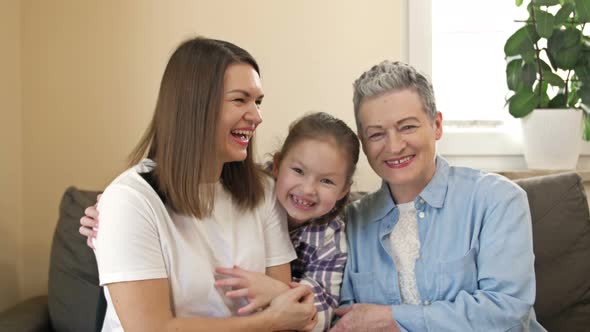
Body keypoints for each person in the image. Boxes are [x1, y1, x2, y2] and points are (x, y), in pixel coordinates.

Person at [90, 37, 317, 332]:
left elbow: (287, 305)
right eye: (240, 100)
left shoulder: (263, 191)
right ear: (194, 106)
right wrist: (271, 320)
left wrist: (284, 313)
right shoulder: (129, 201)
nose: (257, 117)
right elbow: (151, 328)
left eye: (258, 101)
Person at [82, 112, 360, 332]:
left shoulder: (330, 236)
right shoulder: (255, 187)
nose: (307, 189)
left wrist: (275, 290)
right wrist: (106, 213)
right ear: (276, 166)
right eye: (298, 171)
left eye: (326, 181)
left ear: (344, 190)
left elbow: (324, 309)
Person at [329, 61, 546, 332]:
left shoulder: (498, 200)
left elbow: (504, 311)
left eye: (407, 127)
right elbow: (347, 320)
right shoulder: (350, 221)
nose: (394, 146)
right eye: (376, 134)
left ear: (437, 126)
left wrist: (393, 318)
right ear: (363, 142)